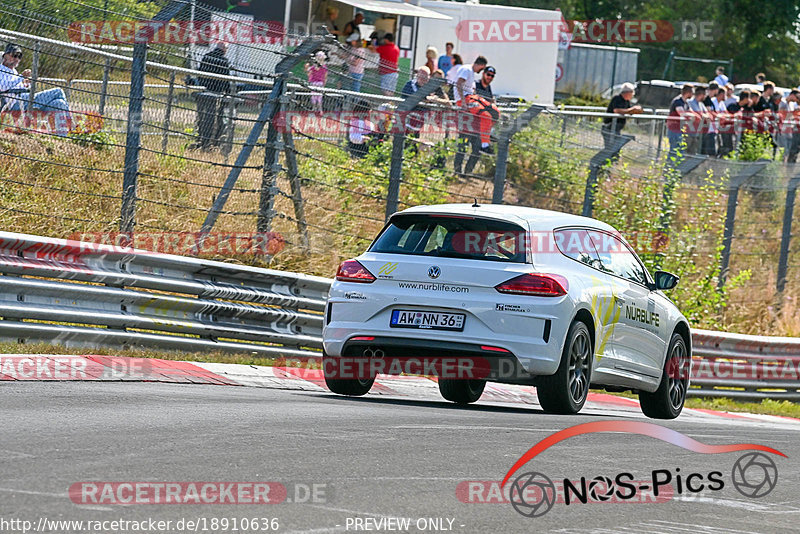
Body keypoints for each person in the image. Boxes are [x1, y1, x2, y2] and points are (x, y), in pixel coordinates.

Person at [0, 43, 71, 136]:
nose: (17, 59)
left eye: (19, 56)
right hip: (15, 103)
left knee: (59, 103)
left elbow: (17, 86)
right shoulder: (1, 69)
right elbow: (3, 86)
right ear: (5, 55)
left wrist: (26, 84)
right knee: (58, 91)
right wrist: (21, 77)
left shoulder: (13, 71)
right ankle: (71, 122)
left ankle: (62, 135)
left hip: (23, 99)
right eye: (14, 55)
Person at [194, 42, 230, 149]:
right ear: (224, 49)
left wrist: (202, 85)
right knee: (213, 117)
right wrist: (227, 92)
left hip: (204, 90)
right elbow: (225, 78)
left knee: (201, 115)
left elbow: (200, 73)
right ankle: (211, 141)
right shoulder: (223, 61)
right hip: (216, 92)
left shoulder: (206, 57)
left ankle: (200, 137)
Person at [454, 92, 499, 177]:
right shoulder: (467, 100)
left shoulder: (479, 99)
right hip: (465, 130)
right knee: (461, 150)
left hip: (476, 131)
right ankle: (457, 172)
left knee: (476, 152)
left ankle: (468, 172)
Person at [601, 82, 642, 150]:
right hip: (609, 127)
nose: (633, 95)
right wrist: (632, 110)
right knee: (610, 149)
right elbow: (617, 110)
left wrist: (637, 110)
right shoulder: (617, 99)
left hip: (616, 128)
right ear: (627, 93)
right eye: (632, 93)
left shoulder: (626, 101)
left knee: (616, 149)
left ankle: (614, 160)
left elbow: (629, 111)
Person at [666, 84, 693, 162]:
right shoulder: (678, 101)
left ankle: (676, 169)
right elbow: (682, 114)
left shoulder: (686, 103)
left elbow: (691, 112)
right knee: (673, 150)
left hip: (680, 129)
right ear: (688, 92)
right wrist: (691, 115)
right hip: (674, 129)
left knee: (680, 150)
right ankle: (668, 169)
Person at [686, 86, 711, 155]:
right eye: (705, 94)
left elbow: (708, 114)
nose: (705, 96)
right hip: (688, 132)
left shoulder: (701, 104)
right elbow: (698, 114)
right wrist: (704, 116)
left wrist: (705, 116)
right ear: (701, 94)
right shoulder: (690, 102)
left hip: (696, 133)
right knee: (685, 152)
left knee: (693, 153)